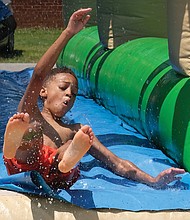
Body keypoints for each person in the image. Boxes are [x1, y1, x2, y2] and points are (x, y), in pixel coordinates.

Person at [3, 8, 185, 189]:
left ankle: (66, 161)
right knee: (31, 126)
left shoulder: (75, 131)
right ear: (43, 92)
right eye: (63, 87)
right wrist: (68, 33)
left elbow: (115, 162)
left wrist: (153, 180)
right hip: (24, 165)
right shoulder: (32, 113)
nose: (68, 94)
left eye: (74, 93)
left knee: (72, 143)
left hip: (56, 173)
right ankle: (12, 148)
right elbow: (38, 75)